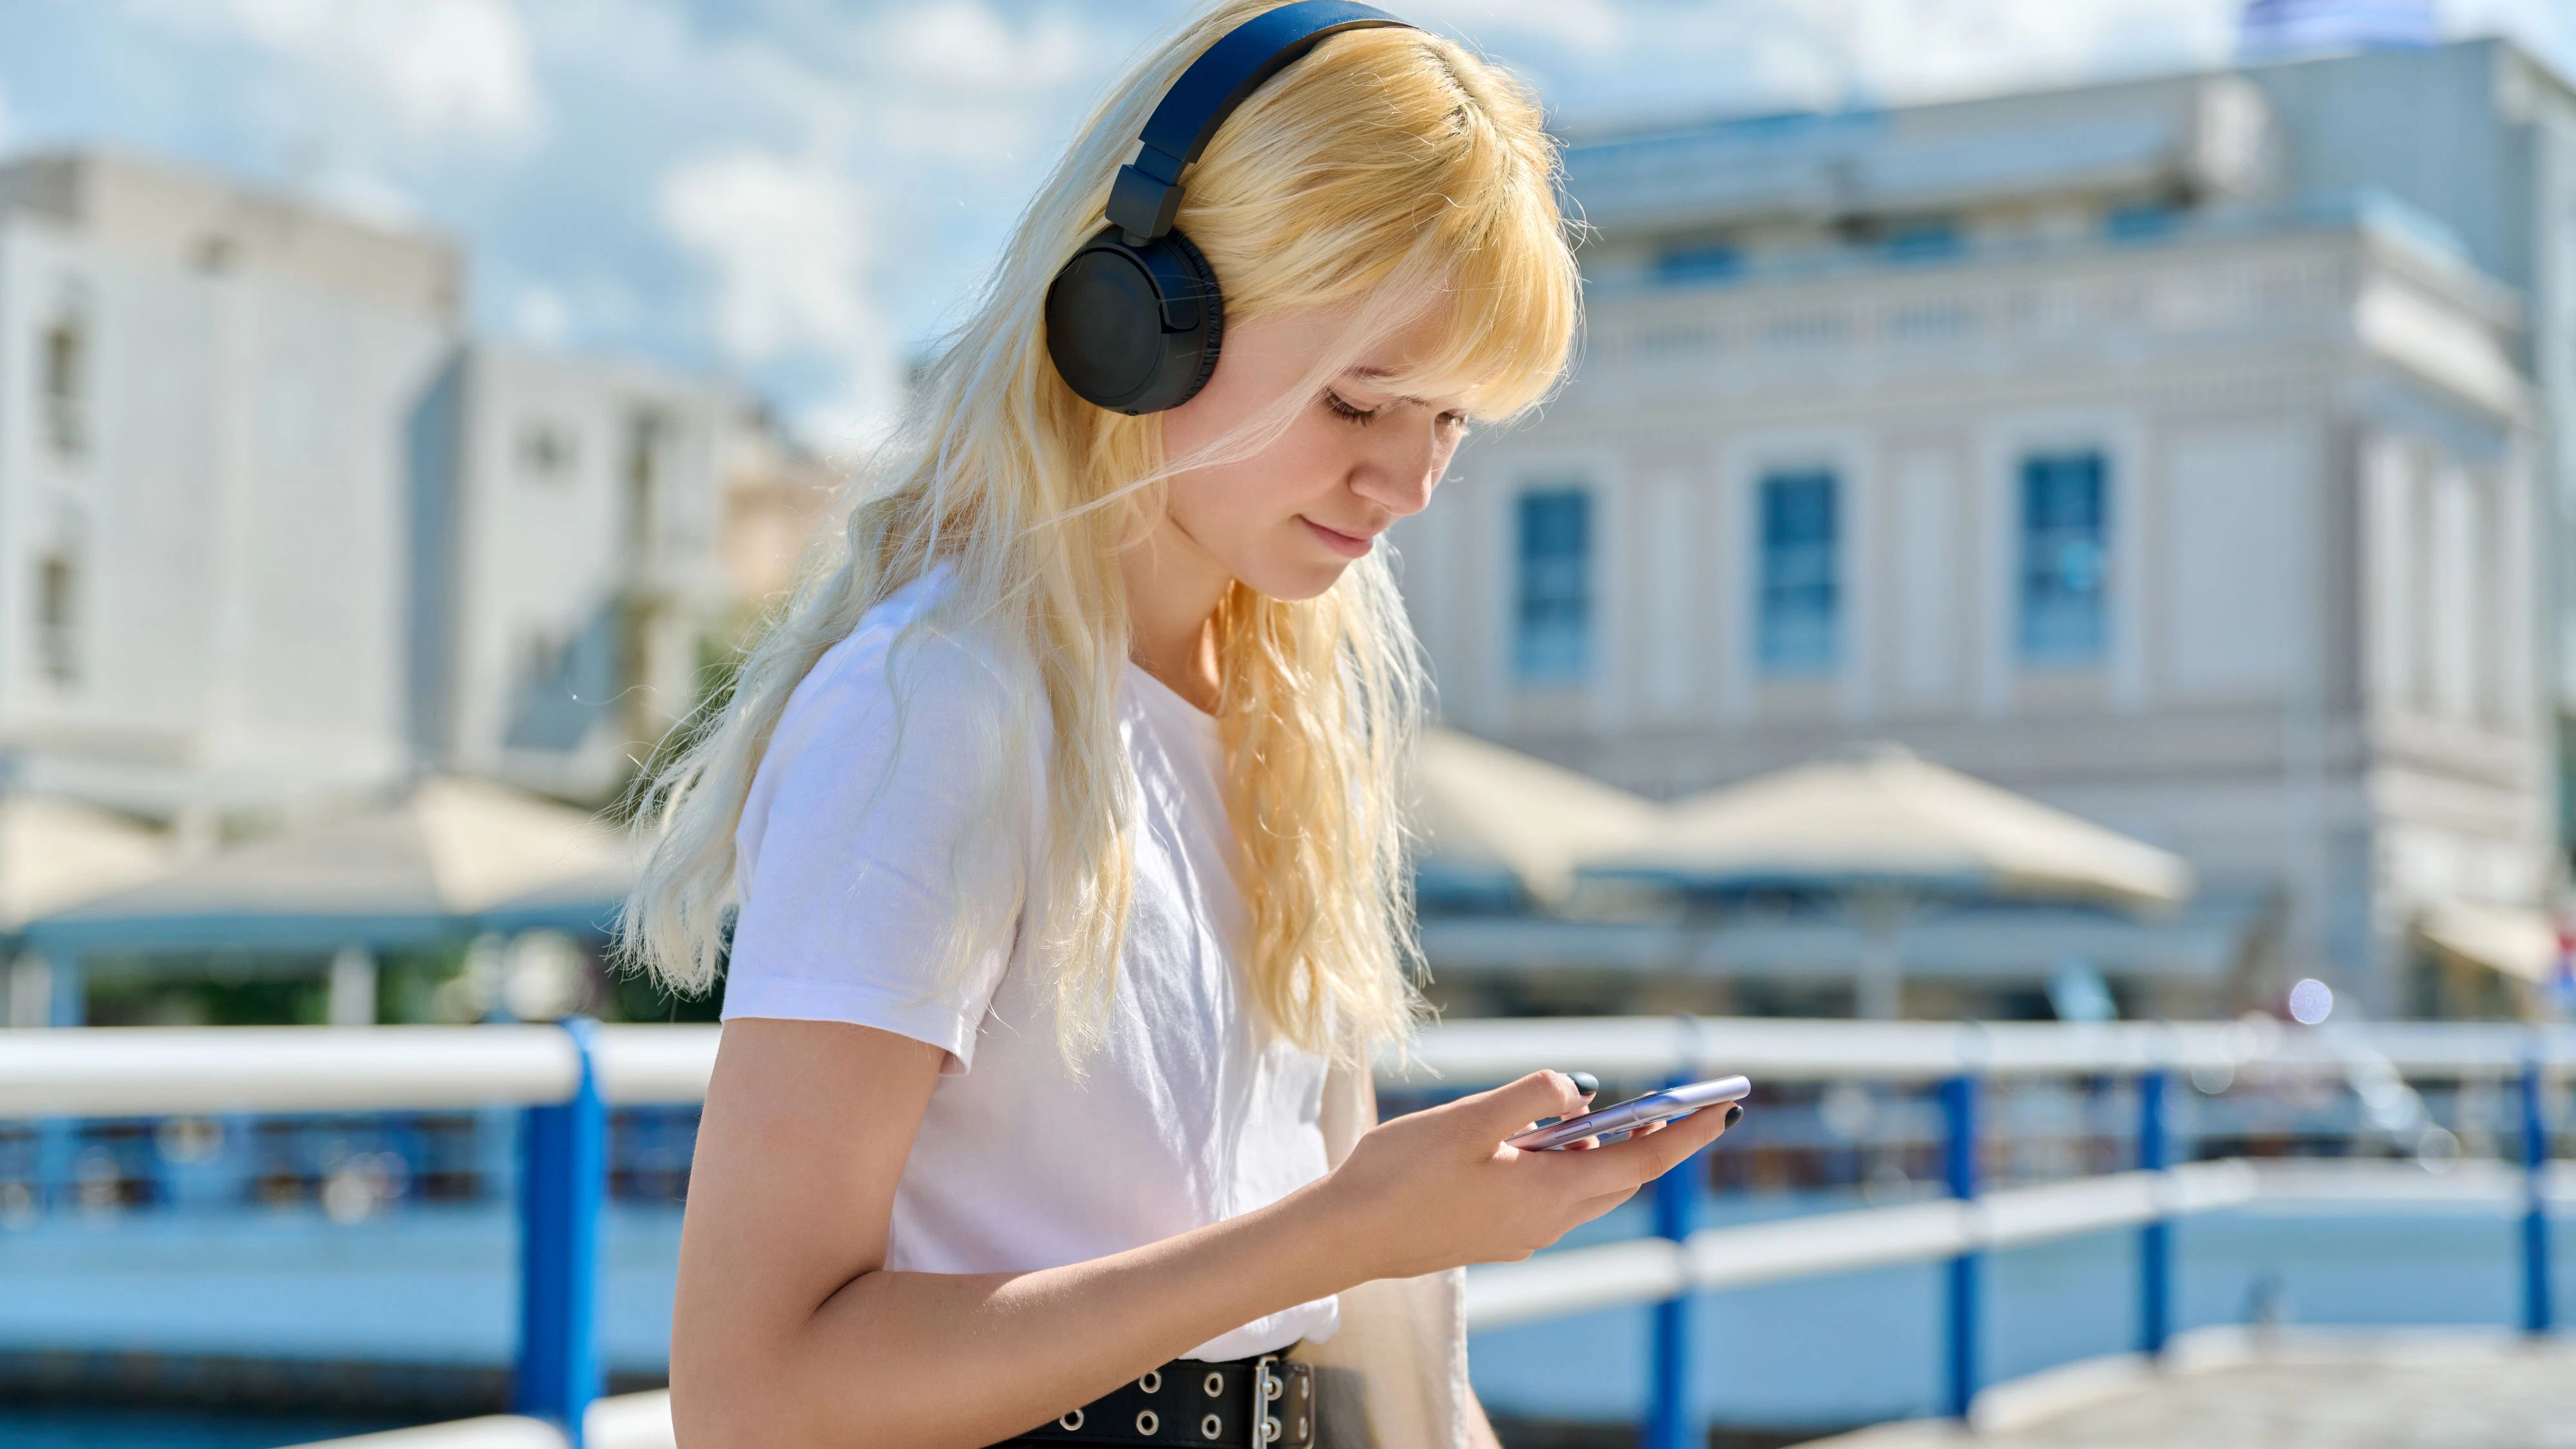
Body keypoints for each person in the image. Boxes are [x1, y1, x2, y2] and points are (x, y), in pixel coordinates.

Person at [616, 4, 1739, 1446]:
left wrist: (1376, 1243)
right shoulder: (936, 717)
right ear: (1134, 321)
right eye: (1359, 403)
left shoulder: (1277, 727)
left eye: (1452, 424)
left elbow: (1359, 1354)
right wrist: (1344, 1232)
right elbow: (753, 1396)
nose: (1406, 484)